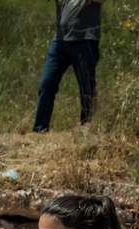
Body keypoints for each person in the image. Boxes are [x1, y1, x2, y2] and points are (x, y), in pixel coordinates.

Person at [33, 0, 106, 133]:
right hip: (60, 40)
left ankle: (87, 128)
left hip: (84, 40)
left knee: (87, 87)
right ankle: (39, 130)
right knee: (46, 83)